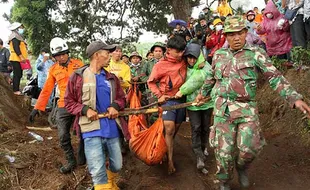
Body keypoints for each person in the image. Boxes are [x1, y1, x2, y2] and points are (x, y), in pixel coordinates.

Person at [196, 16, 310, 190]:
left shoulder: (256, 53)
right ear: (226, 35)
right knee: (223, 154)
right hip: (222, 110)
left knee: (249, 149)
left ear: (245, 33)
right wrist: (202, 95)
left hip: (246, 109)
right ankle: (224, 182)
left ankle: (242, 166)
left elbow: (274, 77)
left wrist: (294, 98)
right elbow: (211, 78)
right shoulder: (219, 55)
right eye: (231, 34)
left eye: (239, 33)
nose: (236, 38)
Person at [65, 40, 129, 190]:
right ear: (96, 55)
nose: (110, 56)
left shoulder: (111, 78)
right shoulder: (78, 77)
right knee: (97, 170)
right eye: (107, 53)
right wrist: (85, 110)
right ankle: (103, 187)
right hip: (90, 130)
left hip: (111, 127)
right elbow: (68, 101)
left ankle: (110, 184)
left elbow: (121, 98)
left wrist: (115, 106)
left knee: (117, 164)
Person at [28, 37, 84, 174]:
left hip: (79, 103)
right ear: (55, 57)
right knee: (63, 135)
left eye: (64, 54)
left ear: (67, 53)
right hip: (63, 104)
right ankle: (71, 160)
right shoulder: (53, 70)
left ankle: (83, 155)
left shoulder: (79, 64)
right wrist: (37, 108)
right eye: (58, 55)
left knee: (84, 132)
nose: (62, 57)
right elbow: (47, 89)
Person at [147, 36, 187, 174]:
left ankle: (164, 148)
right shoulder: (160, 66)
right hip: (167, 100)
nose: (181, 54)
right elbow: (151, 82)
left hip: (182, 100)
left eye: (183, 51)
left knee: (173, 131)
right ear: (169, 50)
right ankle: (170, 161)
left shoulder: (185, 59)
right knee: (169, 128)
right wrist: (159, 95)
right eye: (178, 52)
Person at [175, 43, 213, 173]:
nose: (191, 60)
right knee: (196, 128)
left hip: (207, 104)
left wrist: (182, 90)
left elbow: (199, 79)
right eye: (189, 58)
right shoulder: (185, 67)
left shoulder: (206, 67)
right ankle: (199, 156)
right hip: (192, 105)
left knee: (205, 127)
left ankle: (203, 148)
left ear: (199, 57)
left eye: (194, 58)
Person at [8, 22, 27, 95]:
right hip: (16, 58)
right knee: (17, 74)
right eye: (21, 28)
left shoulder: (18, 36)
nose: (22, 29)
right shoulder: (14, 37)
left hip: (18, 58)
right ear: (17, 28)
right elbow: (16, 48)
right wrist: (21, 56)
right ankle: (15, 90)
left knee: (19, 74)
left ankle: (15, 85)